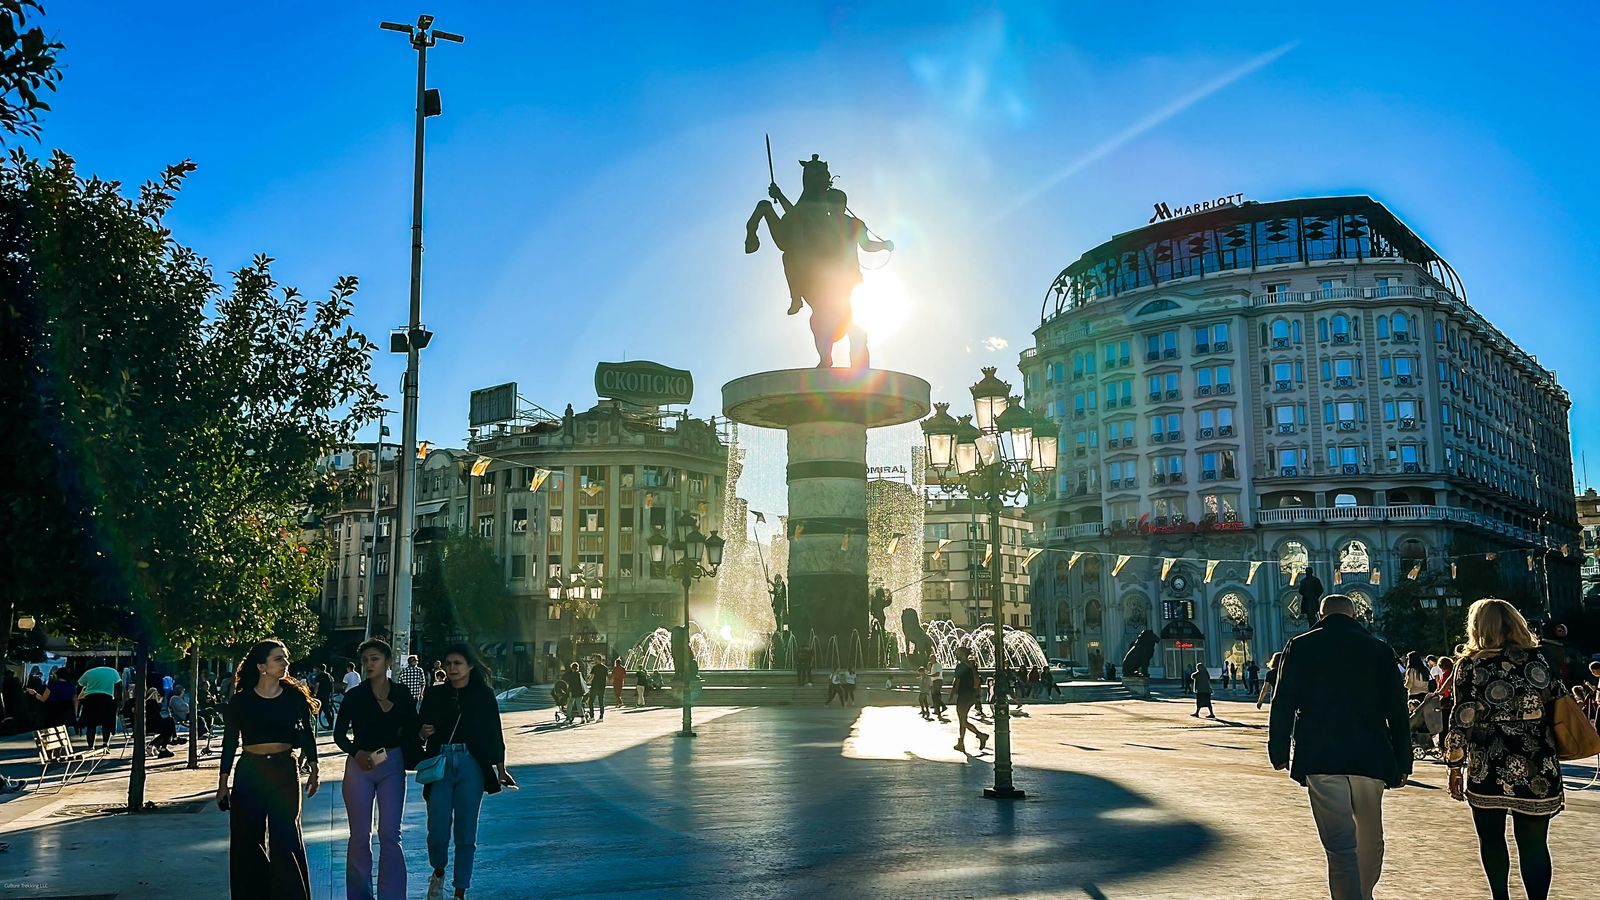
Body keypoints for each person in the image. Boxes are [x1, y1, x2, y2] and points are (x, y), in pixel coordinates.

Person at [1268, 594, 1410, 900]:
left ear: (1321, 615)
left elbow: (1283, 702)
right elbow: (1397, 710)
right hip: (1371, 754)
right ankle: (1365, 893)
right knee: (1370, 834)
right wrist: (1404, 760)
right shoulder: (1379, 649)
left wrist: (1278, 749)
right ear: (1355, 614)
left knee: (1339, 843)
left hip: (1320, 754)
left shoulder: (1301, 646)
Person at [1444, 598, 1566, 900]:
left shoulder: (1471, 665)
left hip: (1488, 762)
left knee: (1491, 838)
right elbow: (1557, 705)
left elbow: (1462, 716)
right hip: (1537, 759)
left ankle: (1501, 897)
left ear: (1478, 627)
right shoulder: (1540, 659)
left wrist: (1454, 766)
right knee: (1535, 843)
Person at [216, 639, 320, 900]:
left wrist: (315, 767)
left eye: (285, 658)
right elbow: (230, 741)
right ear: (262, 666)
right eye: (278, 659)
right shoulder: (241, 701)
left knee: (286, 838)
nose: (285, 663)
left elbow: (307, 734)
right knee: (247, 841)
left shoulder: (294, 696)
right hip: (250, 771)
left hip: (285, 769)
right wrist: (222, 782)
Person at [418, 643, 516, 900]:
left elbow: (494, 732)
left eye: (457, 663)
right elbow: (419, 727)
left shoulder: (483, 695)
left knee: (466, 831)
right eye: (448, 663)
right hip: (440, 763)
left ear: (470, 665)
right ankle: (438, 870)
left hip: (471, 764)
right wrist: (422, 732)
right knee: (437, 831)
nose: (452, 668)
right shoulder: (434, 694)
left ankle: (460, 890)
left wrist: (500, 769)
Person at [335, 638, 418, 900]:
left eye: (375, 659)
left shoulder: (402, 693)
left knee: (390, 834)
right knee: (359, 836)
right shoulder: (355, 695)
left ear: (388, 661)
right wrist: (356, 753)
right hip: (360, 765)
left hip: (392, 762)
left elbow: (413, 727)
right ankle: (359, 896)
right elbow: (339, 734)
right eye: (365, 660)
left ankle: (392, 896)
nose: (369, 664)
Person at [76, 662, 121, 750]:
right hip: (107, 699)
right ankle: (105, 744)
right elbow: (118, 687)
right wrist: (117, 702)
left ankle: (90, 746)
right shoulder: (113, 671)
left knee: (91, 724)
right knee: (107, 723)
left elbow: (80, 685)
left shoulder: (88, 672)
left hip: (91, 699)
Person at [951, 647, 988, 754]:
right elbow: (977, 681)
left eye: (957, 653)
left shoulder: (960, 666)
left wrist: (952, 695)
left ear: (962, 654)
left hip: (963, 696)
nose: (956, 654)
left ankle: (981, 735)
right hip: (971, 696)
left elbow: (956, 682)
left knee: (962, 720)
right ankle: (961, 743)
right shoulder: (972, 666)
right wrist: (977, 695)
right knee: (963, 719)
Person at [587, 656, 610, 722]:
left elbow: (592, 677)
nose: (594, 661)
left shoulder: (595, 667)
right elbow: (607, 678)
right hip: (602, 687)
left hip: (594, 686)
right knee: (601, 702)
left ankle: (592, 716)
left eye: (595, 659)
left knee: (591, 701)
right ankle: (601, 717)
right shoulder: (605, 668)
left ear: (598, 660)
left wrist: (587, 682)